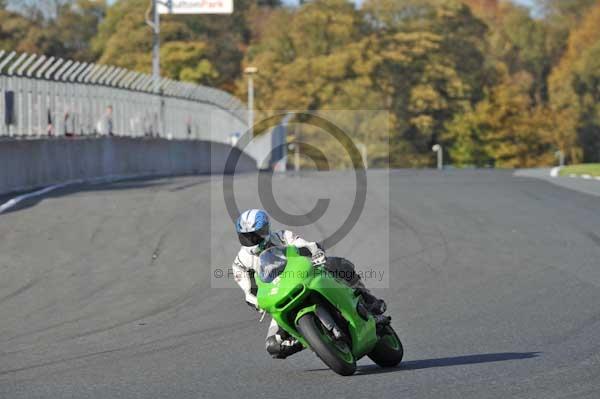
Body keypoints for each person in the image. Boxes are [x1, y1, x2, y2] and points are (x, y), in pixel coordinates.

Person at [231, 209, 387, 359]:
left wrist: (315, 251)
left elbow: (305, 244)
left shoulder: (282, 236)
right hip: (279, 295)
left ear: (265, 229)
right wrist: (256, 302)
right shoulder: (240, 262)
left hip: (305, 278)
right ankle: (311, 338)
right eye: (245, 236)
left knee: (340, 265)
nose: (251, 240)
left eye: (254, 235)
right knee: (273, 346)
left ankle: (368, 300)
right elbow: (248, 291)